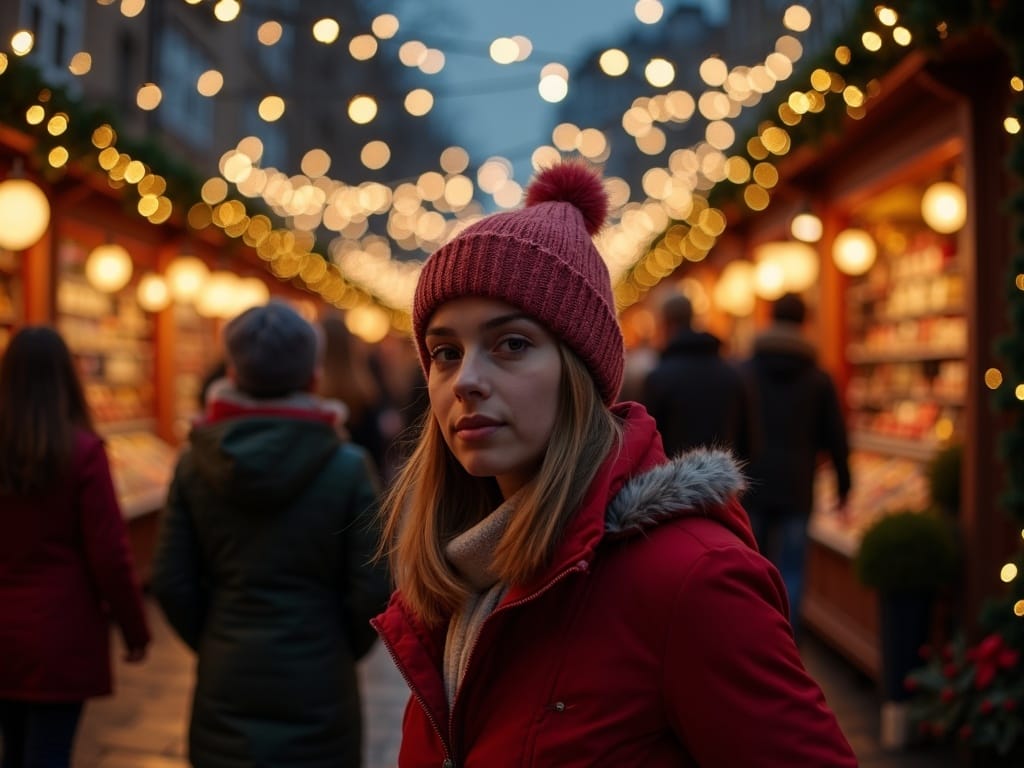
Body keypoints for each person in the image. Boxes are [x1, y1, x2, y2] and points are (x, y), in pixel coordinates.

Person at [372, 162, 856, 766]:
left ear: (580, 371)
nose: (465, 381)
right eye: (445, 352)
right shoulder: (456, 579)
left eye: (512, 344)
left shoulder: (690, 580)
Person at [150, 300, 391, 768]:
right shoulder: (347, 468)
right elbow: (373, 583)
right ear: (312, 378)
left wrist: (216, 635)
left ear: (232, 374)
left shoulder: (196, 463)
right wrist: (339, 643)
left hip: (227, 675)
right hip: (320, 680)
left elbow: (171, 580)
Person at [0, 326, 151, 767]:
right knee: (50, 750)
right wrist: (134, 629)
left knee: (12, 747)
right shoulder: (82, 451)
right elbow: (109, 553)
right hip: (59, 631)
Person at [740, 292, 852, 636]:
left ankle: (749, 637)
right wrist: (844, 483)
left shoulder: (747, 371)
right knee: (791, 572)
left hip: (751, 484)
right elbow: (835, 434)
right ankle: (785, 646)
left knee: (749, 568)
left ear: (771, 317)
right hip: (797, 486)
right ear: (804, 322)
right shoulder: (818, 378)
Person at [640, 292, 758, 464]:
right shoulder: (732, 375)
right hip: (723, 485)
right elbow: (748, 445)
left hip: (673, 485)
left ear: (666, 323)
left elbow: (649, 445)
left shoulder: (659, 378)